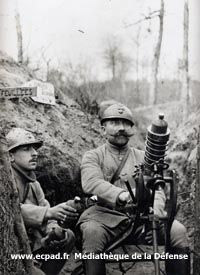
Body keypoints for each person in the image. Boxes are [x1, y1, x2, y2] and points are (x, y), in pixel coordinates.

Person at [78, 103, 190, 275]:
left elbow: (158, 188)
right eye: (114, 123)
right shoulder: (93, 156)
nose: (121, 128)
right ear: (103, 129)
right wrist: (121, 195)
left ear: (132, 128)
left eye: (126, 123)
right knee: (92, 233)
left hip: (142, 220)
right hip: (104, 218)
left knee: (178, 231)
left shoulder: (143, 157)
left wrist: (156, 213)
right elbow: (91, 182)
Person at [6, 128, 79, 275]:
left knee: (68, 236)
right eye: (26, 149)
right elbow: (12, 211)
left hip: (32, 246)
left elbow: (46, 210)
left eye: (34, 148)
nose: (35, 153)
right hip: (11, 250)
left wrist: (54, 231)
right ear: (10, 156)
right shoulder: (4, 182)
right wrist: (49, 213)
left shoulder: (34, 184)